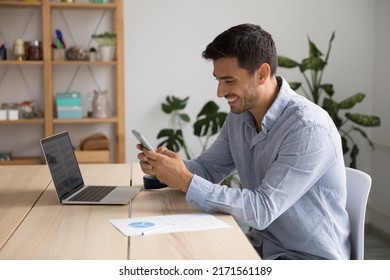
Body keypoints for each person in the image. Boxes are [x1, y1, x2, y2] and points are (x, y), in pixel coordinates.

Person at [136, 23, 351, 260]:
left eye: (229, 81)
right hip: (262, 247)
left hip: (308, 260)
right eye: (218, 80)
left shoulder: (308, 128)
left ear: (262, 74)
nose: (219, 92)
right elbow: (209, 168)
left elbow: (262, 209)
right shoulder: (239, 119)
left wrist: (185, 179)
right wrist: (167, 167)